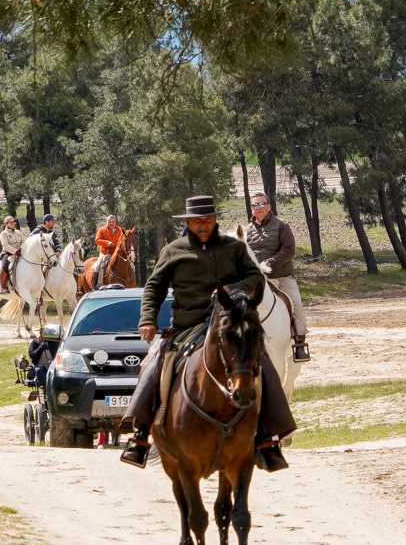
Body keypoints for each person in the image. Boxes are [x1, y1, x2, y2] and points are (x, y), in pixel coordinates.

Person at [119, 195, 296, 472]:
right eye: (197, 220)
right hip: (186, 325)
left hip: (228, 323)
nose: (203, 225)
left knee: (262, 364)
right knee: (152, 362)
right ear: (188, 222)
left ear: (215, 220)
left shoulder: (234, 248)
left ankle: (267, 439)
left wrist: (231, 290)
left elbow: (254, 277)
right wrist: (148, 319)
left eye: (208, 220)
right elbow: (154, 287)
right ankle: (140, 436)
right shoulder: (172, 250)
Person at [244, 194, 309, 361]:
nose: (258, 207)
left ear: (269, 206)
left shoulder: (282, 226)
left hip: (281, 276)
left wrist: (271, 263)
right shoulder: (246, 231)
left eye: (261, 204)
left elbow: (289, 249)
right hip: (257, 279)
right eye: (254, 205)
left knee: (296, 304)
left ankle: (299, 344)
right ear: (252, 208)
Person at [0, 216, 26, 293]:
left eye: (13, 222)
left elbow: (24, 241)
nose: (13, 224)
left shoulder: (18, 232)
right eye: (11, 222)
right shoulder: (3, 234)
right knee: (5, 266)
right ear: (6, 224)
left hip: (20, 252)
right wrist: (15, 251)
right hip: (8, 253)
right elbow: (5, 245)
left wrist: (21, 249)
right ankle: (3, 286)